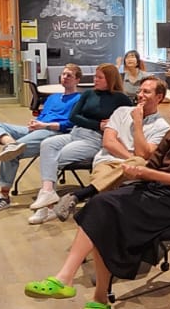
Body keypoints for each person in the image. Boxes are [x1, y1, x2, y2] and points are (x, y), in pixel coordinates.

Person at [25, 79, 170, 309]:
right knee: (101, 206)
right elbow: (152, 164)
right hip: (155, 192)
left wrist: (147, 174)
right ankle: (68, 278)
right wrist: (137, 171)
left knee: (106, 212)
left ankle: (89, 292)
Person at [41, 76, 170, 222]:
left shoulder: (162, 127)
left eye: (146, 92)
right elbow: (108, 142)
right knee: (109, 193)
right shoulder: (121, 111)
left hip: (133, 169)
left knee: (140, 165)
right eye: (140, 91)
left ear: (159, 97)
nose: (140, 95)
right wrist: (131, 156)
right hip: (107, 160)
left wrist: (137, 123)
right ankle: (92, 209)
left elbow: (143, 154)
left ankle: (81, 195)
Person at [26, 63, 130, 224]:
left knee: (56, 159)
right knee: (47, 145)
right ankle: (47, 194)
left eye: (99, 77)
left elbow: (127, 120)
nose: (95, 80)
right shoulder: (88, 94)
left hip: (94, 139)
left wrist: (108, 124)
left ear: (110, 79)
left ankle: (47, 207)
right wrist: (97, 123)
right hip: (75, 132)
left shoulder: (121, 99)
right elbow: (74, 117)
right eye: (95, 76)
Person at [0, 62, 81, 213]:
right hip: (37, 129)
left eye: (69, 75)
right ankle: (10, 142)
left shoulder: (79, 99)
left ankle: (3, 195)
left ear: (77, 80)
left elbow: (70, 125)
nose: (65, 77)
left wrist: (44, 125)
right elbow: (43, 115)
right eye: (63, 74)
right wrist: (35, 123)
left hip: (53, 133)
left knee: (10, 154)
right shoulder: (53, 97)